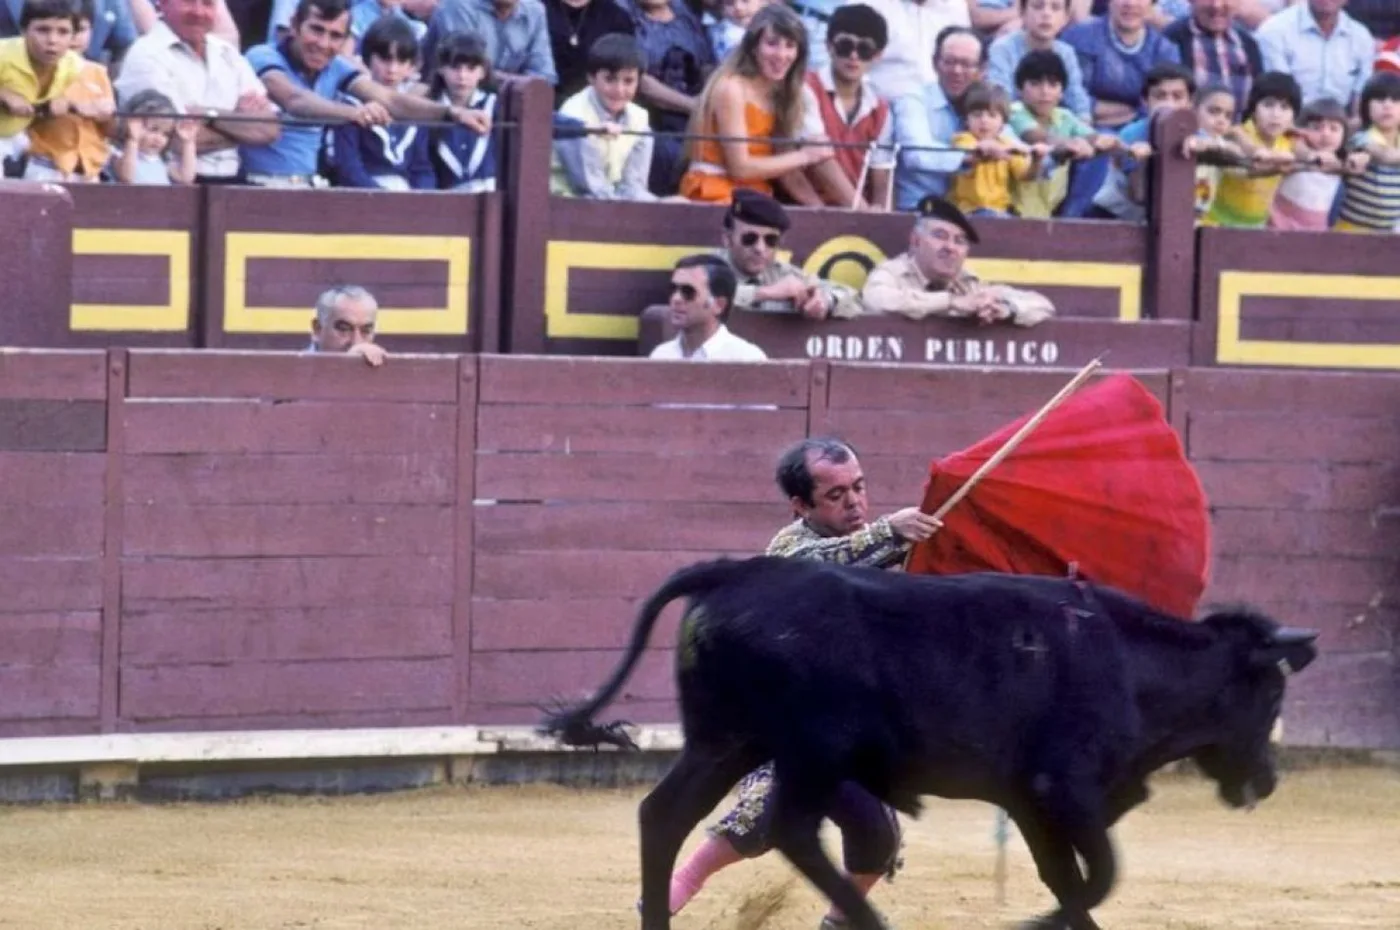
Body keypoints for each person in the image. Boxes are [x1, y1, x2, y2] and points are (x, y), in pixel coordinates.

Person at [665, 436, 943, 930]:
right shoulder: (789, 549)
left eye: (858, 487)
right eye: (836, 495)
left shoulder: (889, 552)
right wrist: (889, 532)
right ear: (800, 506)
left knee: (877, 835)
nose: (854, 502)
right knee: (766, 813)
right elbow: (821, 565)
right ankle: (673, 889)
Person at [861, 195, 1055, 325]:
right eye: (940, 236)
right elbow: (875, 299)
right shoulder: (894, 272)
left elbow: (1043, 305)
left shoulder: (967, 282)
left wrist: (1005, 310)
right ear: (916, 240)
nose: (950, 247)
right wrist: (951, 302)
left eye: (959, 241)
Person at [648, 253, 766, 360]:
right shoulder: (661, 355)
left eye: (688, 292)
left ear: (719, 305)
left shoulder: (746, 358)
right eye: (673, 289)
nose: (676, 298)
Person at [308, 284, 389, 366]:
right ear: (317, 329)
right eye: (344, 329)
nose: (356, 342)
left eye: (366, 331)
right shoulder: (296, 372)